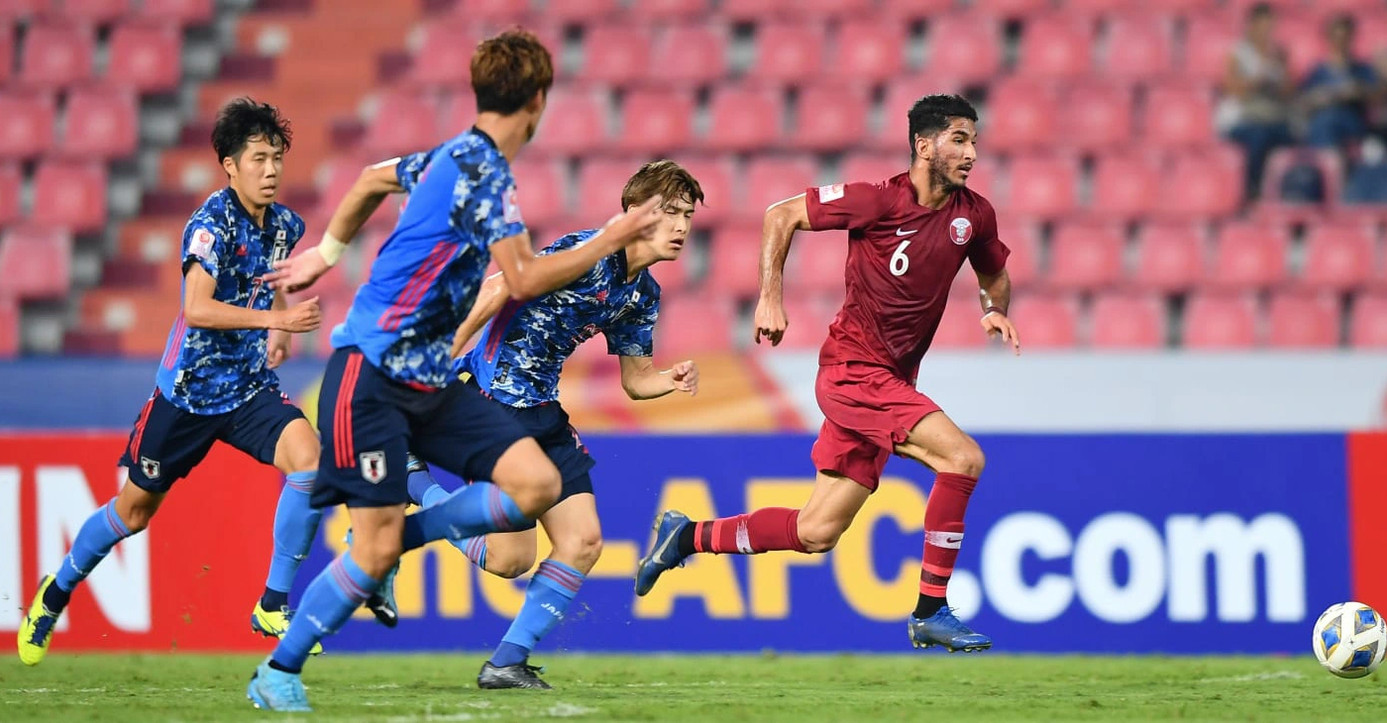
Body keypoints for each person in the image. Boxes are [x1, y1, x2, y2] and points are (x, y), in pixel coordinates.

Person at [243, 29, 663, 712]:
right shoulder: (488, 174)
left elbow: (371, 178)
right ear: (537, 100)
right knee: (375, 554)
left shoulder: (452, 155)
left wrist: (328, 250)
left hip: (429, 380)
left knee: (536, 482)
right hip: (371, 377)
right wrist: (612, 235)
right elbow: (521, 277)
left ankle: (395, 535)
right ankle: (278, 669)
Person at [634, 94, 1020, 653]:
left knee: (816, 532)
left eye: (974, 141)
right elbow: (780, 213)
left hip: (890, 382)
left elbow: (995, 271)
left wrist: (992, 307)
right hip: (852, 372)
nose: (971, 153)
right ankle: (931, 610)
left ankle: (686, 536)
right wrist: (770, 298)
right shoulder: (877, 202)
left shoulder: (974, 214)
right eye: (959, 140)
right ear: (924, 145)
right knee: (963, 458)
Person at [370, 160, 702, 690]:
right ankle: (415, 485)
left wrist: (671, 379)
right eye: (669, 213)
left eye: (687, 214)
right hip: (490, 405)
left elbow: (635, 382)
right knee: (511, 559)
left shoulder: (643, 296)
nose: (682, 226)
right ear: (636, 214)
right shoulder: (585, 255)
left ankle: (505, 663)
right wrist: (441, 360)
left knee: (583, 542)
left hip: (543, 414)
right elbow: (500, 287)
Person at [17, 98, 327, 665]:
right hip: (186, 396)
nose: (272, 170)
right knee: (133, 513)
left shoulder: (285, 224)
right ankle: (54, 592)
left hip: (249, 389)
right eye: (258, 159)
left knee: (310, 459)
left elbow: (274, 275)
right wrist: (278, 320)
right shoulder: (210, 226)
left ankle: (273, 602)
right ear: (229, 165)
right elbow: (198, 308)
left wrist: (278, 319)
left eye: (277, 157)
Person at [1216, 2, 1296, 201]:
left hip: (1274, 118)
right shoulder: (1237, 53)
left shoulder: (1279, 54)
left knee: (1292, 140)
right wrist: (1256, 81)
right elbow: (1232, 89)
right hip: (1245, 120)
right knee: (1258, 139)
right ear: (1251, 25)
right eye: (1262, 25)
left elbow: (1289, 92)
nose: (1266, 30)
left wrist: (1279, 73)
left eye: (1270, 25)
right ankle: (1252, 192)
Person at [1300, 14, 1378, 149]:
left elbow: (1376, 95)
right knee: (1324, 123)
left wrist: (1359, 90)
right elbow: (1304, 100)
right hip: (1322, 122)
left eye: (1344, 38)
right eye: (1336, 38)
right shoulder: (1317, 71)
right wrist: (1322, 97)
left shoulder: (1361, 69)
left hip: (1352, 121)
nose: (1340, 43)